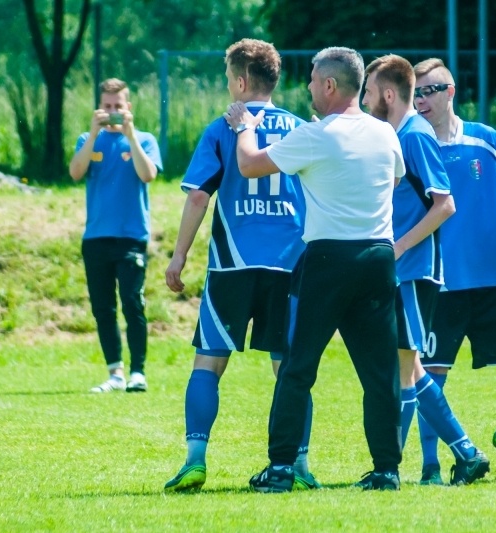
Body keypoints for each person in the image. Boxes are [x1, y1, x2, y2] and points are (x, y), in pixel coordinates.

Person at [226, 46, 406, 492]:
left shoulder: (317, 135)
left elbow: (249, 164)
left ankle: (282, 467)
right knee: (380, 372)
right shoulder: (385, 134)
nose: (306, 87)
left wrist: (246, 127)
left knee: (298, 366)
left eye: (311, 79)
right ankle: (387, 470)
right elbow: (396, 178)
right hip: (379, 257)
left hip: (329, 259)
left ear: (329, 85)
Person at [163, 39, 318, 492]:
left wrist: (178, 256)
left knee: (208, 364)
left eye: (229, 79)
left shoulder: (222, 127)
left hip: (232, 265)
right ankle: (300, 465)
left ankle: (195, 458)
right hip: (289, 265)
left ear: (241, 80)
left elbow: (197, 195)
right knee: (288, 369)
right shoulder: (300, 128)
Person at [362, 54, 490, 486]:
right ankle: (400, 464)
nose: (363, 101)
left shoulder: (414, 136)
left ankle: (460, 452)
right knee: (406, 368)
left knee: (410, 367)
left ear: (388, 94)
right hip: (403, 269)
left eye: (367, 92)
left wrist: (396, 249)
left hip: (414, 270)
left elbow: (445, 205)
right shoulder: (398, 133)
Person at [412, 57, 496, 480]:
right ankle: (431, 464)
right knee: (431, 376)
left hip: (493, 278)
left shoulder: (486, 140)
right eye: (414, 93)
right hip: (440, 283)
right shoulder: (413, 145)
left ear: (450, 92)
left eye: (428, 91)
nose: (420, 100)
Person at [69, 78, 162, 394]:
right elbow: (76, 172)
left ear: (128, 107)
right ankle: (115, 373)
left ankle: (138, 372)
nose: (112, 112)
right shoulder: (87, 139)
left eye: (118, 107)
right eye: (107, 107)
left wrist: (130, 135)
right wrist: (94, 134)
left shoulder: (144, 139)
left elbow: (148, 174)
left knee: (132, 303)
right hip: (96, 237)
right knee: (103, 308)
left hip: (131, 236)